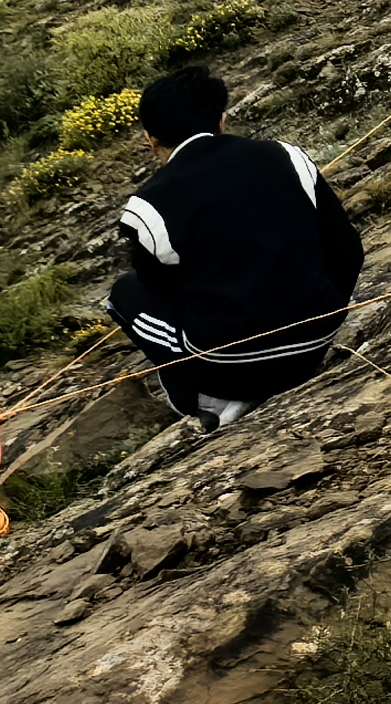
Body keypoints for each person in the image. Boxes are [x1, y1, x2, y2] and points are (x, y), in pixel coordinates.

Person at [104, 67, 367, 431]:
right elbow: (348, 250)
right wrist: (326, 312)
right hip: (316, 339)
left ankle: (205, 399)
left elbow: (161, 289)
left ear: (150, 139)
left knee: (123, 294)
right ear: (222, 119)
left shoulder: (146, 207)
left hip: (229, 367)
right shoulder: (286, 156)